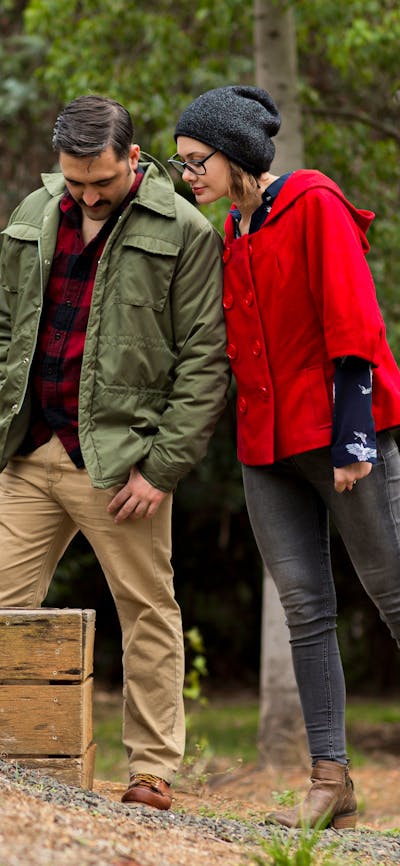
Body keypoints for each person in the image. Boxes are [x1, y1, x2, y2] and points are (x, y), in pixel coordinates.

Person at [171, 84, 400, 829]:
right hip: (266, 447)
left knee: (393, 594)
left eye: (196, 161)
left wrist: (355, 436)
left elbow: (353, 317)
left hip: (341, 437)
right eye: (181, 165)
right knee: (306, 609)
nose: (189, 177)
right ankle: (330, 780)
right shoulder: (233, 232)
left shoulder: (314, 202)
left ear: (235, 154)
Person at [0, 94, 229, 810]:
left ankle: (152, 772)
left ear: (134, 158)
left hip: (122, 465)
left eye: (102, 180)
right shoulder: (34, 215)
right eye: (76, 182)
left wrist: (161, 469)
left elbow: (204, 361)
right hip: (31, 451)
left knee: (147, 611)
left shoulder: (187, 231)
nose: (90, 195)